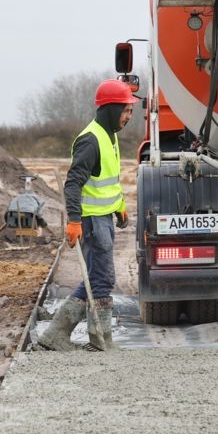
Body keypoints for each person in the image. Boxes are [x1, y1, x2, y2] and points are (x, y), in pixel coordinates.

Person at [36, 79, 137, 352]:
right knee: (102, 278)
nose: (129, 116)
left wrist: (119, 206)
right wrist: (74, 221)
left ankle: (74, 337)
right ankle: (96, 339)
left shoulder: (109, 135)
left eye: (130, 111)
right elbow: (73, 183)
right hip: (92, 221)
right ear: (111, 109)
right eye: (126, 111)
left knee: (98, 278)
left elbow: (107, 180)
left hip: (103, 217)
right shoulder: (91, 139)